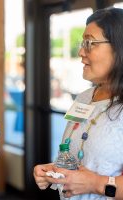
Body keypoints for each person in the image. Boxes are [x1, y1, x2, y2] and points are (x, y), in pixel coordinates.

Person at [34, 7, 123, 200]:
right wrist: (55, 171)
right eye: (83, 42)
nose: (81, 51)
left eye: (90, 42)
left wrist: (94, 183)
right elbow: (80, 158)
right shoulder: (84, 97)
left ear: (118, 48)